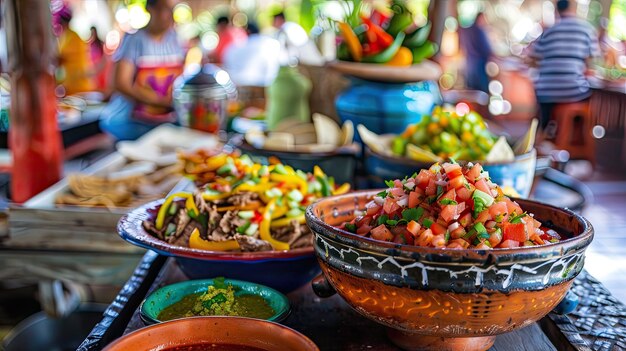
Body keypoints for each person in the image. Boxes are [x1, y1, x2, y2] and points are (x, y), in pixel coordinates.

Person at [100, 0, 184, 141]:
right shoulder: (134, 39)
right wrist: (159, 101)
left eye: (172, 10)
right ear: (150, 9)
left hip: (165, 121)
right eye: (165, 9)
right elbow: (121, 83)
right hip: (131, 121)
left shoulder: (175, 40)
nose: (170, 16)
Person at [529, 0, 600, 132]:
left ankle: (547, 131)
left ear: (558, 10)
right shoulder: (587, 30)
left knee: (544, 107)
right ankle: (575, 135)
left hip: (545, 91)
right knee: (596, 101)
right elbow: (592, 61)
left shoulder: (548, 31)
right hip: (573, 90)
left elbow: (533, 57)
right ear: (574, 7)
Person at [57, 9, 95, 95]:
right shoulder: (65, 36)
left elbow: (63, 57)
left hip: (79, 83)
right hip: (70, 82)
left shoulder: (73, 37)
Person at [459, 12, 493, 93]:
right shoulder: (479, 30)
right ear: (480, 18)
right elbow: (487, 48)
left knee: (470, 90)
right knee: (481, 91)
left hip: (469, 64)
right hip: (479, 65)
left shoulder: (467, 30)